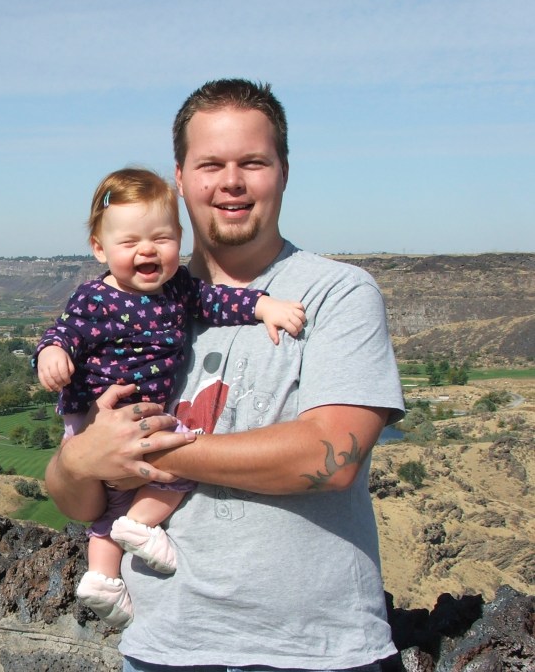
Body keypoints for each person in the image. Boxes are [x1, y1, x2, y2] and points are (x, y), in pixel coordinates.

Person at [45, 79, 405, 672]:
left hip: (315, 652)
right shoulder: (126, 305)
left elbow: (330, 460)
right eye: (210, 164)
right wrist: (82, 458)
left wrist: (147, 449)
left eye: (253, 163)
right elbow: (77, 499)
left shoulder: (337, 294)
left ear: (283, 172)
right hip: (163, 650)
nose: (231, 182)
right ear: (180, 179)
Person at [34, 168, 306, 629]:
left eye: (161, 238)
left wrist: (263, 306)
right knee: (181, 458)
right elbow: (63, 333)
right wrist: (53, 354)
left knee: (113, 500)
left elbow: (217, 302)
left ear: (180, 240)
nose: (147, 250)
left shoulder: (178, 287)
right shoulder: (94, 299)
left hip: (132, 415)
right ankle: (142, 524)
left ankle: (102, 578)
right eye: (129, 242)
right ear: (100, 249)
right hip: (105, 415)